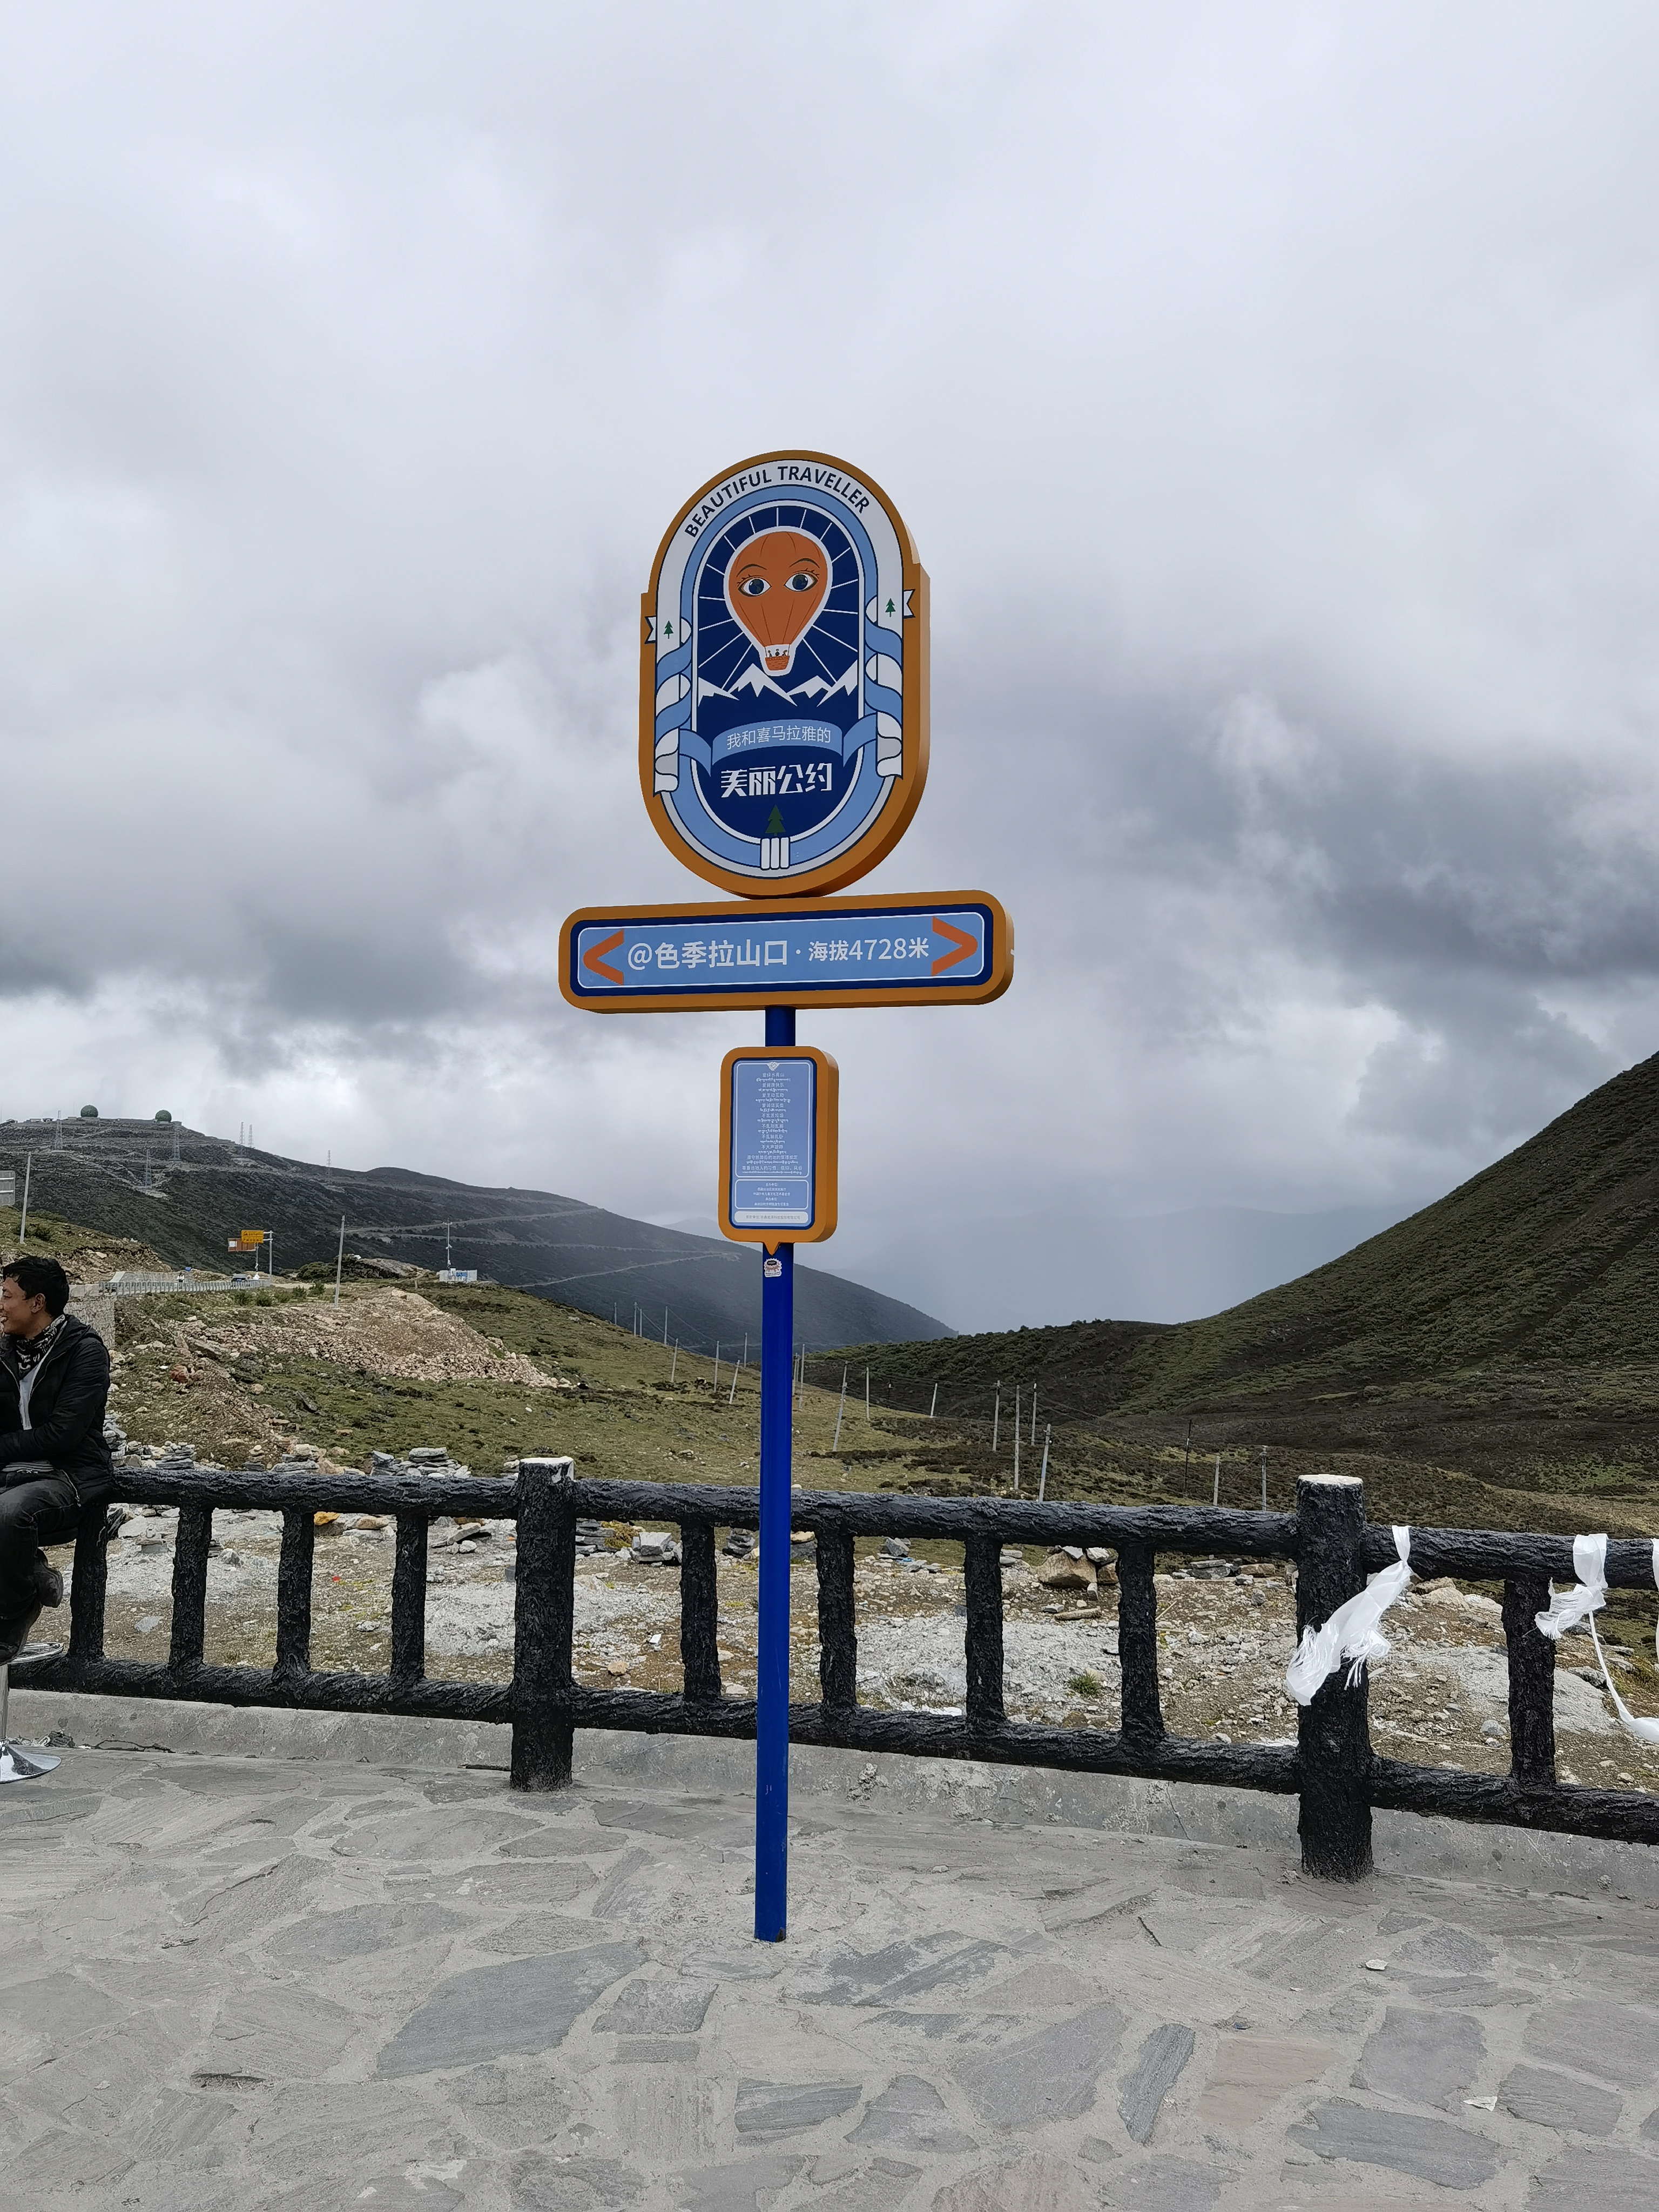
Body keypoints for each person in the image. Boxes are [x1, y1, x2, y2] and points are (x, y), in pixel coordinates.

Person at [0, 1257, 113, 1661]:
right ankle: (32, 1572)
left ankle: (14, 1614)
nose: (0, 1305)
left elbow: (62, 1434)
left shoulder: (84, 1352)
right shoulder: (4, 1351)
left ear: (37, 1303)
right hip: (10, 1472)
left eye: (7, 1296)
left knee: (9, 1514)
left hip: (69, 1476)